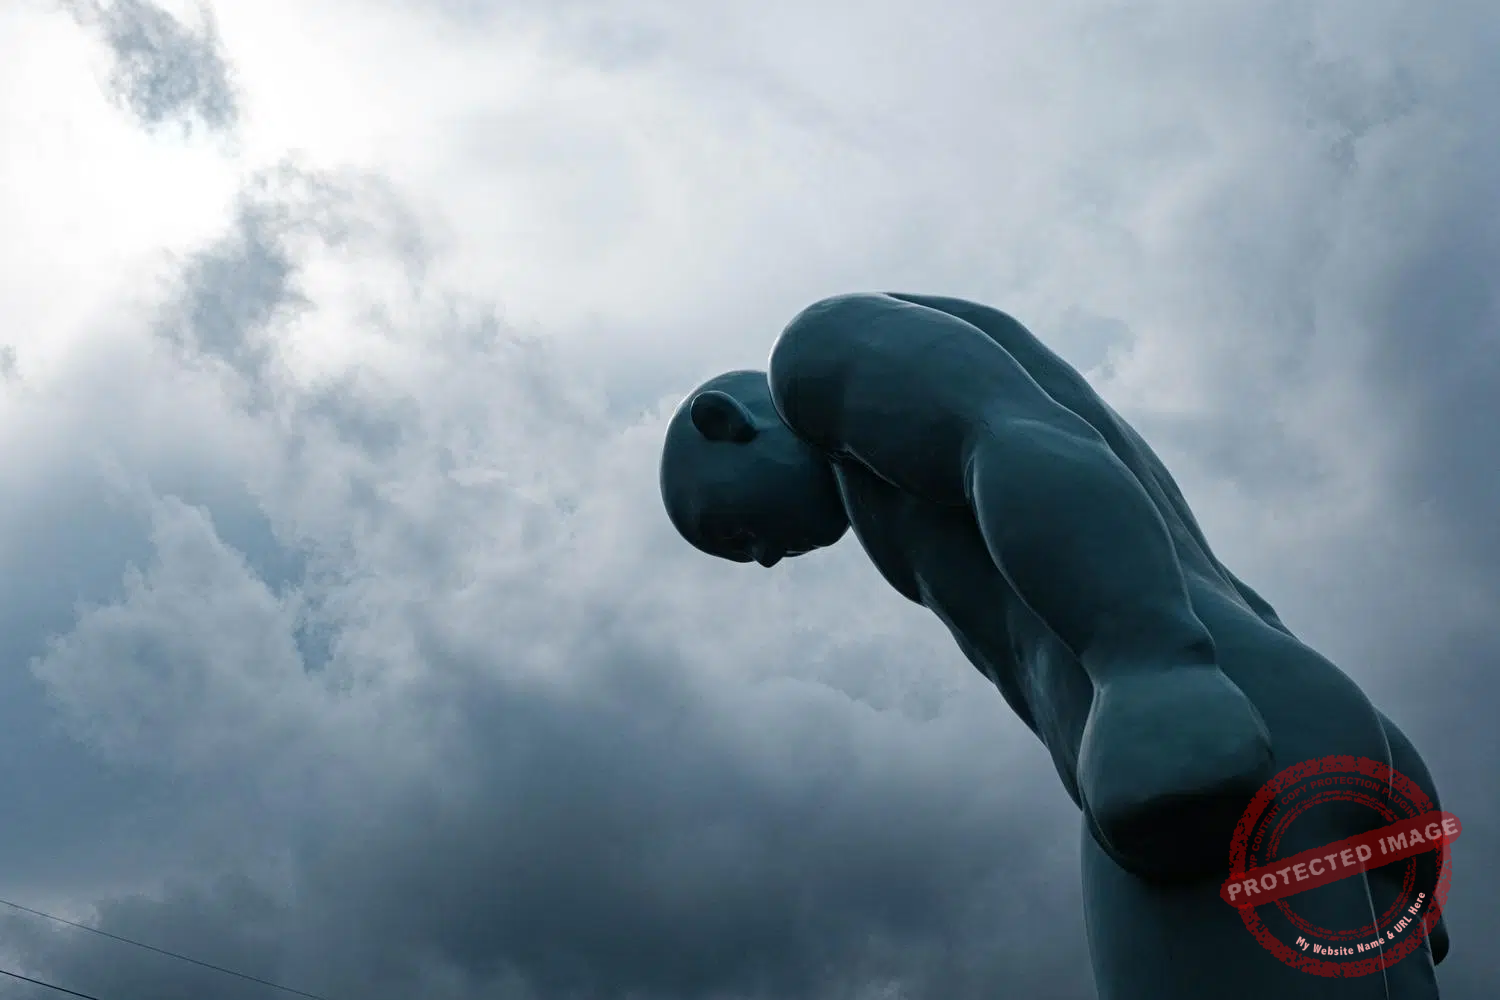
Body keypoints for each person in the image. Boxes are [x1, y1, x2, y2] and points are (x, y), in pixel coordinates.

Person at [659, 292, 1448, 998]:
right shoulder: (910, 456)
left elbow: (1005, 436)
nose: (760, 556)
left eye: (731, 532)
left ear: (726, 423)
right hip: (1290, 720)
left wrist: (1147, 668)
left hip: (1200, 746)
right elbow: (1245, 608)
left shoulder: (819, 354)